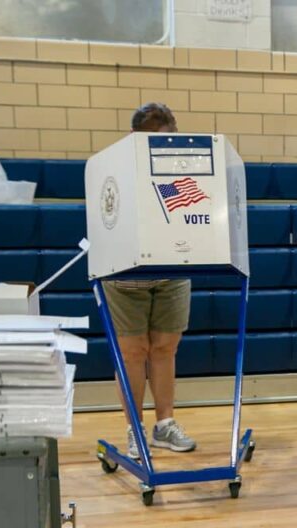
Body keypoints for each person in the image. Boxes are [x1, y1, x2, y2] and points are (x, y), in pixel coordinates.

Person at [102, 102, 196, 458]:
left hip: (171, 272)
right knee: (132, 352)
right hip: (125, 277)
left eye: (169, 139)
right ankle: (134, 431)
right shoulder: (115, 170)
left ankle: (163, 426)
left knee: (165, 348)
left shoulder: (179, 171)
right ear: (134, 138)